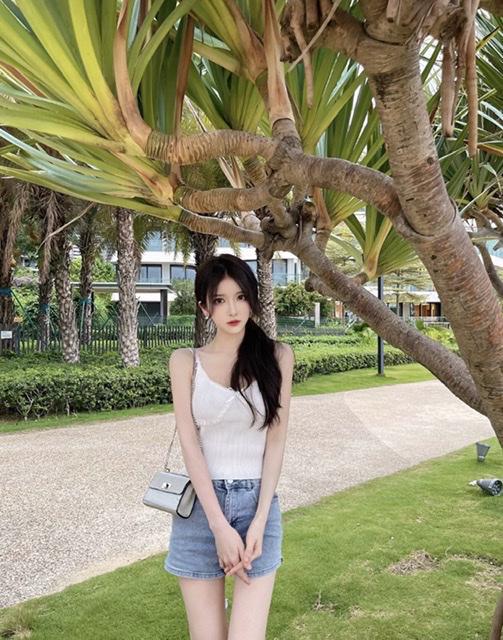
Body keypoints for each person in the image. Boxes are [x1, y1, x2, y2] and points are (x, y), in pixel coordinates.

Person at [165, 253, 295, 640]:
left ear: (253, 298)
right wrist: (219, 526)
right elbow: (190, 443)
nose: (233, 310)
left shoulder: (278, 356)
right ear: (204, 307)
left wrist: (258, 519)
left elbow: (276, 441)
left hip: (258, 506)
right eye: (220, 300)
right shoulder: (185, 361)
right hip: (200, 512)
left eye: (240, 297)